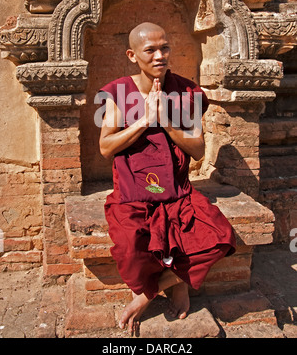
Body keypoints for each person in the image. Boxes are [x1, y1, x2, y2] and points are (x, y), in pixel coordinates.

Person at [98, 22, 236, 335]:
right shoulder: (120, 93)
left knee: (220, 238)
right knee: (133, 250)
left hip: (178, 193)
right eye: (151, 50)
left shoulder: (186, 92)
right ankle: (178, 284)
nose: (160, 55)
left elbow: (198, 150)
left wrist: (168, 123)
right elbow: (106, 147)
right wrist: (145, 121)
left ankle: (149, 292)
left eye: (165, 48)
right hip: (133, 194)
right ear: (133, 55)